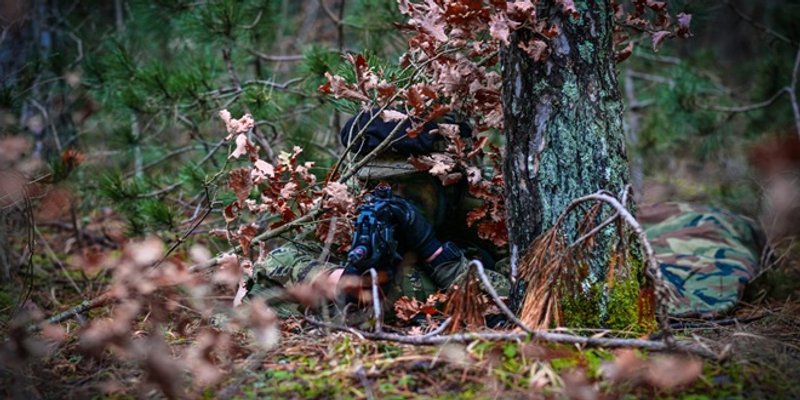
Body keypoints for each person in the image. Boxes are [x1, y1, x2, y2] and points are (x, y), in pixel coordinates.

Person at [242, 110, 768, 323]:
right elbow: (273, 265)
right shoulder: (358, 208)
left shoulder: (475, 214)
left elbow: (522, 300)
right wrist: (327, 275)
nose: (385, 196)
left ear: (439, 181)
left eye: (404, 187)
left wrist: (437, 252)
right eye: (375, 183)